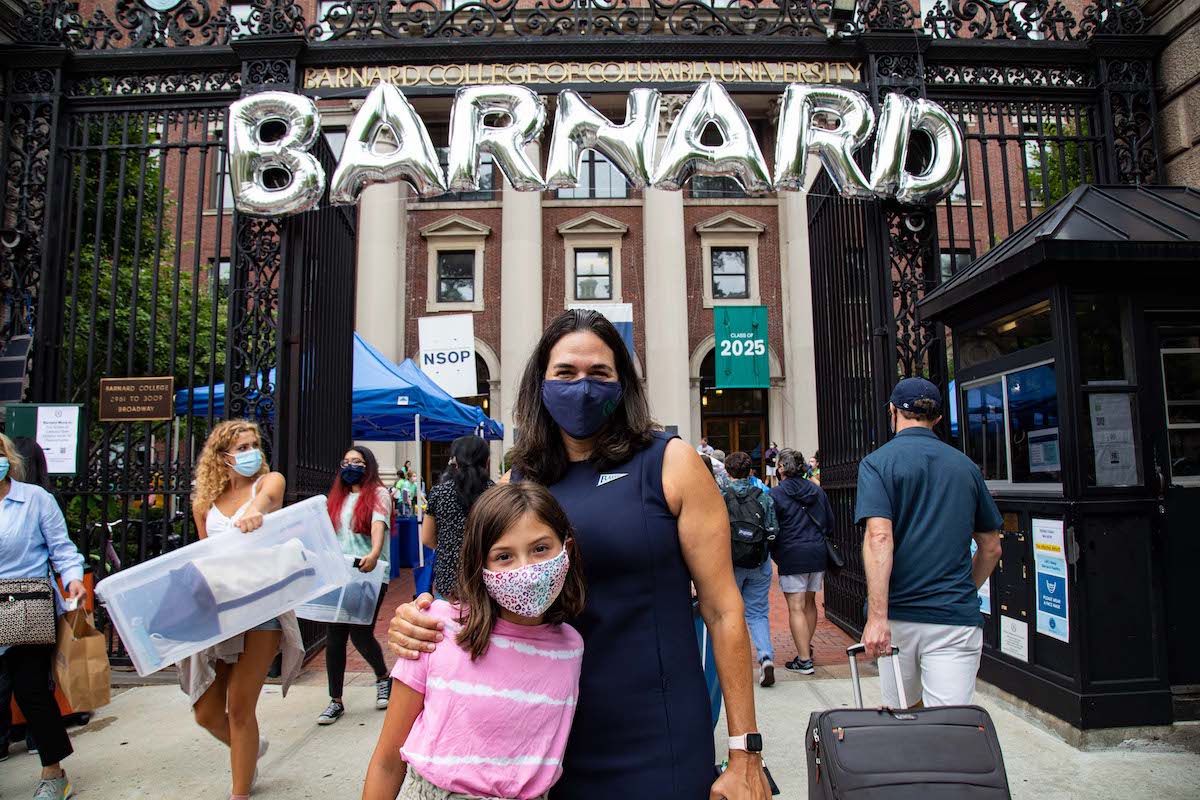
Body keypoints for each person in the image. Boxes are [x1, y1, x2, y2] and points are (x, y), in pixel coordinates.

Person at [389, 309, 771, 800]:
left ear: (622, 384)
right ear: (541, 384)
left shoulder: (670, 462)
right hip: (542, 740)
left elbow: (722, 609)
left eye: (600, 374)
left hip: (658, 731)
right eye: (565, 373)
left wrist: (745, 750)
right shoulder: (516, 484)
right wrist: (416, 620)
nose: (582, 387)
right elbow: (478, 607)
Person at [363, 482, 586, 800]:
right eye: (504, 556)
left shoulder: (571, 648)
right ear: (481, 565)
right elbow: (387, 760)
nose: (527, 570)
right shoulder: (436, 629)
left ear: (567, 551)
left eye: (540, 549)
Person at [856, 378, 1003, 708]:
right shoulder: (965, 467)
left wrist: (877, 618)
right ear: (936, 419)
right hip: (953, 615)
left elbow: (879, 536)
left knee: (903, 718)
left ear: (892, 412)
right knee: (950, 725)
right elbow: (991, 547)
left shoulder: (878, 464)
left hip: (900, 615)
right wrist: (963, 587)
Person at [185, 420, 304, 800]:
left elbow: (268, 498)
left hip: (263, 607)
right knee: (205, 712)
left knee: (239, 707)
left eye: (254, 444)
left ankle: (240, 791)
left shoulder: (268, 482)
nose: (251, 451)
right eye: (241, 447)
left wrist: (253, 511)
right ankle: (252, 748)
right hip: (220, 611)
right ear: (222, 458)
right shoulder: (204, 504)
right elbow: (207, 556)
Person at [0, 434, 86, 800]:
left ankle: (54, 772)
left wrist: (74, 582)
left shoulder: (35, 499)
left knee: (31, 689)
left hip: (25, 605)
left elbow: (63, 550)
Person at [318, 446, 394, 726]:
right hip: (339, 573)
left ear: (368, 466)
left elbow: (378, 523)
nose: (351, 466)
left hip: (367, 572)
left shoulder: (378, 494)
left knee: (361, 634)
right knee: (334, 636)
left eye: (358, 462)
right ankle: (335, 699)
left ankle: (383, 677)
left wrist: (374, 552)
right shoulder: (335, 499)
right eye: (347, 462)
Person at [769, 448, 833, 675]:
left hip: (792, 551)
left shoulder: (776, 494)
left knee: (795, 606)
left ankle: (804, 658)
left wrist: (775, 550)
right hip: (816, 551)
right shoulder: (816, 491)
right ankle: (806, 646)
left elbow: (772, 527)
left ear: (783, 468)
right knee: (810, 603)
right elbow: (829, 521)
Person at [722, 451, 779, 689]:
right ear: (750, 472)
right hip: (759, 561)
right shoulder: (764, 496)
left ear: (727, 472)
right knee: (757, 613)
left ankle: (733, 663)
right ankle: (765, 657)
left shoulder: (722, 496)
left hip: (731, 563)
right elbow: (773, 529)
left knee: (729, 612)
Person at [421, 436, 493, 601]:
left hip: (448, 578)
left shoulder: (439, 493)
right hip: (487, 577)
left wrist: (449, 548)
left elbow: (427, 538)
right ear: (487, 462)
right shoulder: (495, 494)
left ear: (456, 462)